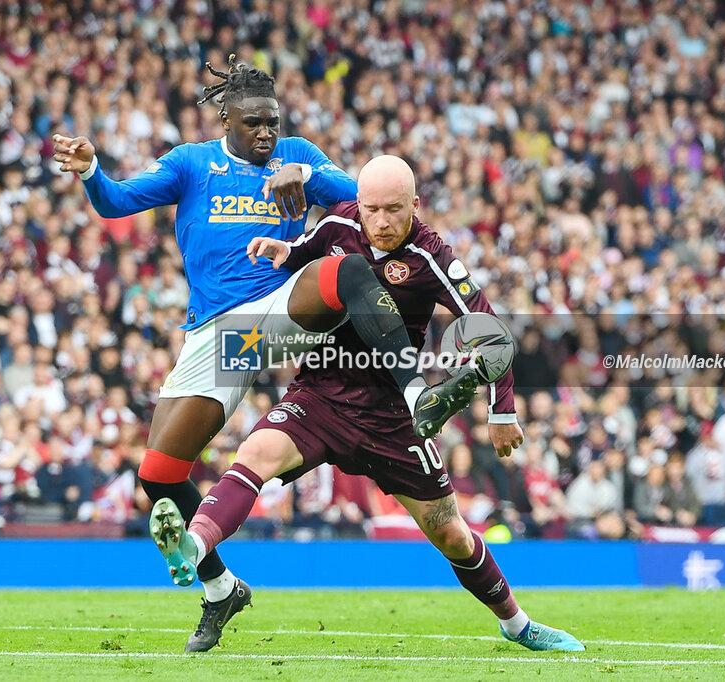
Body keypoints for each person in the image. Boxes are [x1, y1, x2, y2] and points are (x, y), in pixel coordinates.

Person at [52, 57, 479, 651]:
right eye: (254, 123)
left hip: (283, 302)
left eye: (273, 123)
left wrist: (301, 170)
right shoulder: (190, 165)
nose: (266, 134)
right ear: (225, 117)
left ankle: (413, 391)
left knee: (342, 270)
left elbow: (365, 200)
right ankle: (220, 589)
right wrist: (92, 170)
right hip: (222, 337)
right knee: (158, 475)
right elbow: (116, 202)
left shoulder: (294, 153)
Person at [150, 155, 584, 652]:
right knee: (253, 457)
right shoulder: (340, 221)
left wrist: (502, 410)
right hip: (320, 394)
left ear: (415, 205)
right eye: (372, 209)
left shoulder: (433, 257)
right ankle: (195, 544)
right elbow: (305, 256)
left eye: (393, 210)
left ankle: (517, 624)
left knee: (452, 536)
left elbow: (491, 331)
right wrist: (282, 250)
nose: (380, 221)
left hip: (394, 417)